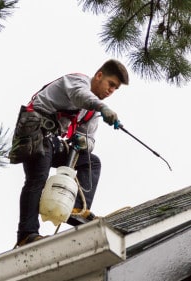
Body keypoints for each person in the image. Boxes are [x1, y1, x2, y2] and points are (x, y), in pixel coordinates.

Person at [11, 59, 129, 247]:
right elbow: (80, 96)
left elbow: (89, 140)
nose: (111, 91)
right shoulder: (77, 82)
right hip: (35, 133)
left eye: (115, 89)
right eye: (111, 84)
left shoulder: (92, 112)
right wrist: (102, 107)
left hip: (53, 141)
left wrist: (83, 142)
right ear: (99, 76)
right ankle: (27, 234)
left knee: (91, 162)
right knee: (37, 177)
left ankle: (77, 208)